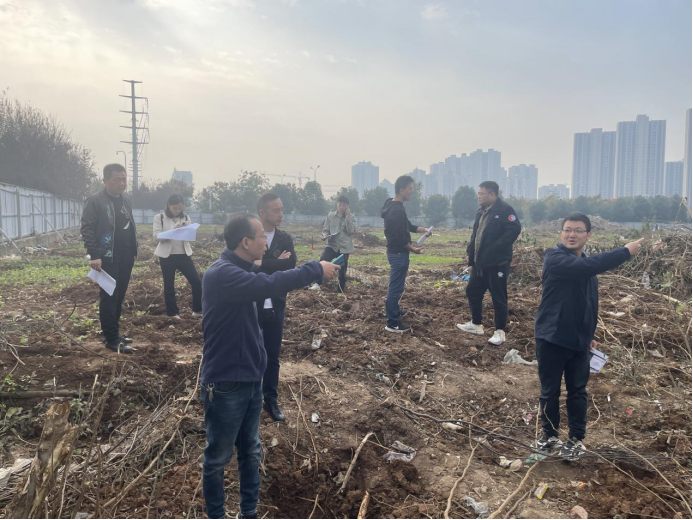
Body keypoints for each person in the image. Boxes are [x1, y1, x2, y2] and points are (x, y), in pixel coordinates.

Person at [200, 213, 340, 520]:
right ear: (245, 242)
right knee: (218, 457)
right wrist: (315, 269)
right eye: (262, 236)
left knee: (250, 450)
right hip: (226, 382)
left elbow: (268, 279)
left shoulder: (242, 270)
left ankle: (248, 513)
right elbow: (269, 283)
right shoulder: (222, 274)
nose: (267, 241)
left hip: (251, 378)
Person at [534, 213, 643, 460]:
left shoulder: (587, 269)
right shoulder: (555, 258)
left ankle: (575, 439)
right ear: (561, 233)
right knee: (550, 391)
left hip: (579, 340)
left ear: (588, 235)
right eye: (567, 230)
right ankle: (549, 436)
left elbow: (588, 304)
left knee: (578, 391)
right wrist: (625, 252)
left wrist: (589, 333)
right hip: (551, 337)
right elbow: (588, 266)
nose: (572, 235)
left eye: (578, 231)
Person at [81, 164, 137, 354]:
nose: (122, 183)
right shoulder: (95, 200)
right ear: (105, 180)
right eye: (117, 179)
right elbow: (87, 228)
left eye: (124, 179)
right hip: (107, 256)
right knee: (109, 297)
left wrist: (134, 250)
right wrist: (95, 254)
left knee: (119, 296)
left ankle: (113, 333)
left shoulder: (126, 200)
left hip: (126, 256)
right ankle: (112, 340)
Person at [457, 181, 521, 346]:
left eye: (481, 194)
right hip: (480, 262)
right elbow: (476, 235)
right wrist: (470, 254)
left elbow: (514, 230)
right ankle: (476, 324)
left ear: (492, 194)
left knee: (498, 297)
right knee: (472, 291)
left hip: (497, 263)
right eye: (478, 194)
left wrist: (495, 248)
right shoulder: (481, 211)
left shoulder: (505, 210)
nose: (478, 197)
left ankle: (500, 331)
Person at [255, 193, 296, 423]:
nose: (281, 214)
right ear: (262, 213)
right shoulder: (250, 236)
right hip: (253, 303)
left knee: (272, 355)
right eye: (275, 210)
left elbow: (290, 265)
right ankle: (250, 398)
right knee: (250, 352)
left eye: (282, 209)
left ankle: (270, 399)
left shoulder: (284, 238)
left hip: (276, 304)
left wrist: (263, 262)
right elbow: (248, 267)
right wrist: (276, 262)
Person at [381, 175, 430, 333]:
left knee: (397, 286)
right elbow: (400, 238)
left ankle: (395, 311)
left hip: (396, 253)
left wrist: (422, 230)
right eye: (410, 189)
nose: (411, 192)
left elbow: (406, 225)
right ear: (401, 190)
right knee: (395, 288)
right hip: (398, 254)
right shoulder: (396, 210)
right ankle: (392, 323)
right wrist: (413, 249)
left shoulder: (392, 205)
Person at [153, 194, 202, 319]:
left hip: (184, 255)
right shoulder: (160, 218)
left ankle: (197, 310)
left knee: (196, 282)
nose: (177, 211)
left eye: (180, 208)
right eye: (175, 208)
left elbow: (189, 237)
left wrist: (188, 231)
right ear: (169, 205)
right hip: (167, 256)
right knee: (169, 285)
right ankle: (172, 313)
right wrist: (173, 231)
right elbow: (156, 236)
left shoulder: (185, 217)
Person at [320, 195, 356, 292]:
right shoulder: (330, 216)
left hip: (344, 248)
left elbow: (351, 231)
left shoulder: (351, 217)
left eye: (344, 205)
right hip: (332, 245)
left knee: (342, 270)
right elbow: (325, 230)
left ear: (347, 206)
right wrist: (324, 236)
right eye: (340, 205)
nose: (341, 207)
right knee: (323, 260)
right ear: (337, 204)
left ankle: (340, 290)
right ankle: (318, 283)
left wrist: (347, 217)